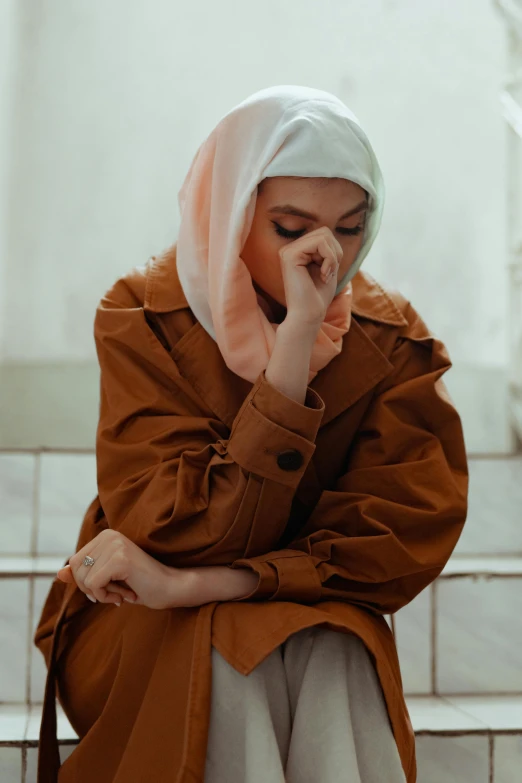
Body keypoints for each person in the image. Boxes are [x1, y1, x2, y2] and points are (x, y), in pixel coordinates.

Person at [34, 85, 468, 783]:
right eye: (291, 228)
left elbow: (397, 539)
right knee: (233, 656)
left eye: (350, 228)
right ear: (230, 207)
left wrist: (203, 583)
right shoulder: (142, 314)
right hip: (139, 617)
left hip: (268, 609)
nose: (323, 255)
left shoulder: (393, 337)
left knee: (332, 647)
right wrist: (294, 353)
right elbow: (180, 524)